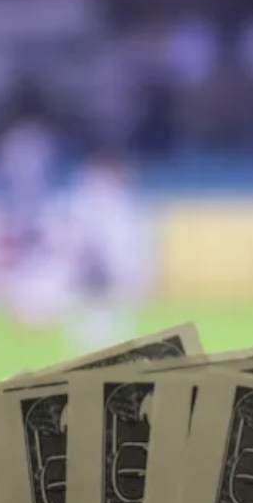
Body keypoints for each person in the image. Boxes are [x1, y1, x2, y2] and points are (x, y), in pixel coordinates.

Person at [56, 145, 153, 356]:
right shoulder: (97, 197)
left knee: (101, 314)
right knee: (98, 313)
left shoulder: (103, 197)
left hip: (103, 264)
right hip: (98, 263)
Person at [0, 85, 61, 330]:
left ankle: (24, 309)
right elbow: (51, 174)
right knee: (39, 260)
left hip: (17, 211)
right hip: (37, 210)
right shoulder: (41, 139)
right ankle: (36, 309)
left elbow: (0, 177)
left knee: (24, 261)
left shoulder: (9, 140)